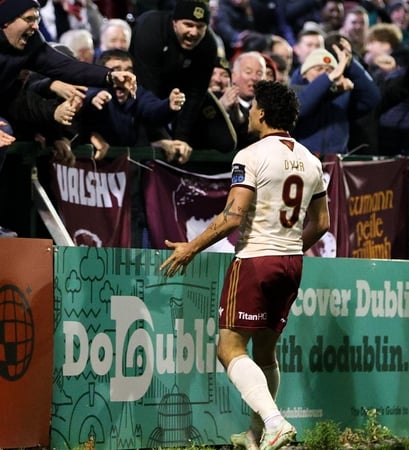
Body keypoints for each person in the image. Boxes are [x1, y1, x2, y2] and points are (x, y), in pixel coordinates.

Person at [159, 80, 330, 450]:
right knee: (265, 352)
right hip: (291, 262)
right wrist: (287, 247)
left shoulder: (250, 155)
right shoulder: (312, 160)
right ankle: (256, 434)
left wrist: (191, 248)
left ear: (263, 114)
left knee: (229, 349)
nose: (249, 113)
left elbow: (233, 216)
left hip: (255, 260)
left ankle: (274, 422)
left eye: (252, 107)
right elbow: (323, 223)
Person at [0, 0, 136, 173]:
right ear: (6, 20)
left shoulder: (31, 43)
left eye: (37, 19)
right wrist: (51, 86)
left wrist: (109, 76)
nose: (35, 26)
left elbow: (66, 67)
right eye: (28, 19)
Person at [130, 0, 221, 160]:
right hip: (139, 94)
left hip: (177, 95)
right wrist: (160, 136)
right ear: (174, 22)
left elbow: (196, 94)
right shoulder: (150, 29)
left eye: (200, 27)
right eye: (188, 24)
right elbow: (146, 87)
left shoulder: (208, 45)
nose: (194, 32)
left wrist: (181, 138)